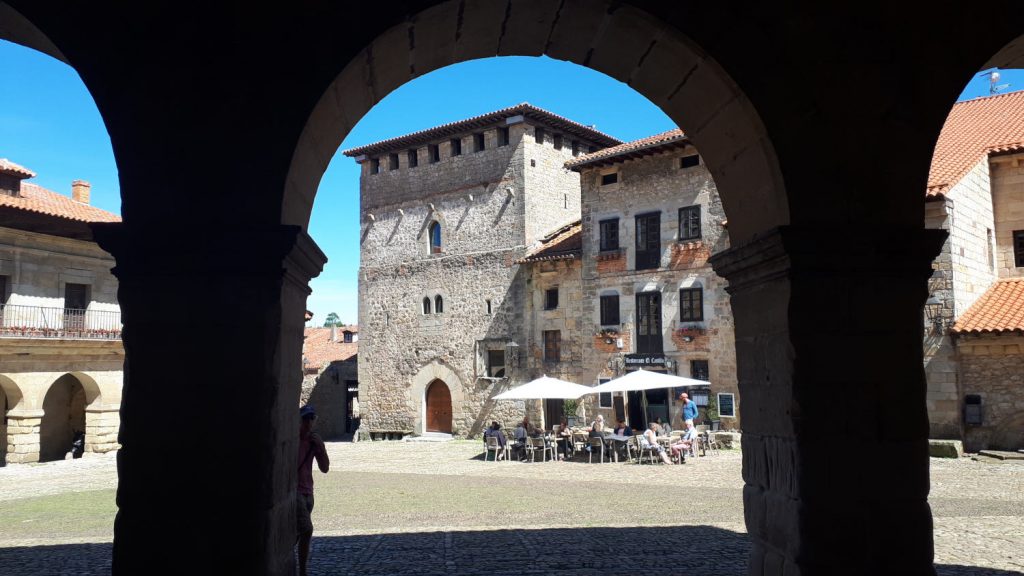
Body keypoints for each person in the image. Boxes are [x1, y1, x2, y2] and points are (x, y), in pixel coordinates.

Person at [297, 405, 330, 576]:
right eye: (305, 419)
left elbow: (324, 468)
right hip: (295, 492)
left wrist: (321, 448)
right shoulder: (292, 441)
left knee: (298, 532)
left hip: (309, 492)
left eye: (311, 419)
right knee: (306, 529)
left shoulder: (313, 441)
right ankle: (302, 570)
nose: (308, 423)